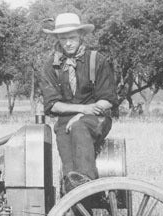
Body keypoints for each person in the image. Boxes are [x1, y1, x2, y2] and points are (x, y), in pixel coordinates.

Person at [38, 12, 117, 191]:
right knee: (63, 139)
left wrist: (83, 114)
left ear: (81, 36)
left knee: (79, 127)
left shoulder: (96, 60)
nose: (68, 43)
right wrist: (81, 109)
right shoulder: (51, 66)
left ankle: (87, 184)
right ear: (57, 38)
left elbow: (108, 99)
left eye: (72, 37)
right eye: (63, 38)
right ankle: (72, 191)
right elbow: (52, 105)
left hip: (97, 116)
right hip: (66, 119)